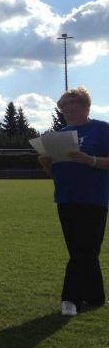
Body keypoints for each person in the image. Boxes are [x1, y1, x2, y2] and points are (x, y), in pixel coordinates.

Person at [38, 86, 108, 317]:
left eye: (73, 109)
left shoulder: (102, 129)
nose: (69, 113)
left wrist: (91, 160)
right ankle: (96, 297)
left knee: (84, 251)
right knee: (82, 251)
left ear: (86, 107)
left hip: (94, 199)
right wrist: (47, 164)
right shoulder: (59, 136)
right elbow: (54, 173)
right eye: (65, 110)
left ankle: (70, 299)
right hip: (65, 199)